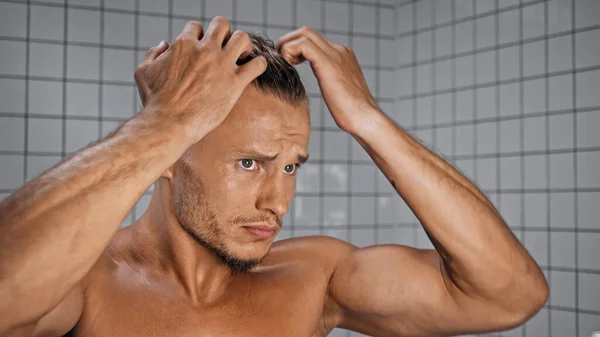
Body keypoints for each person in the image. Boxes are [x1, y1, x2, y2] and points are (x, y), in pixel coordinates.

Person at [0, 17, 548, 337]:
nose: (278, 201)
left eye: (290, 167)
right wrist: (160, 125)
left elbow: (509, 295)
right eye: (249, 163)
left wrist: (369, 121)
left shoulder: (312, 280)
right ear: (167, 155)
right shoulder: (86, 285)